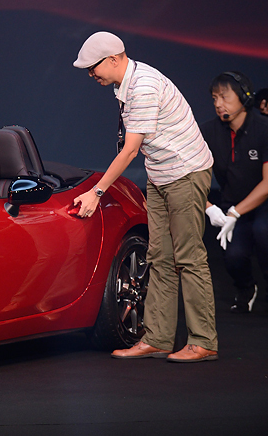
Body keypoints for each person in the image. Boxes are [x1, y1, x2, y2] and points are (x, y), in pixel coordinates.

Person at [72, 31, 218, 362]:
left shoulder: (143, 87)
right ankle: (158, 338)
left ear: (113, 60)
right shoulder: (125, 86)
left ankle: (203, 340)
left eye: (93, 67)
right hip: (161, 175)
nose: (91, 74)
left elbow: (130, 150)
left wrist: (96, 192)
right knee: (159, 256)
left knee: (188, 257)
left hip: (184, 172)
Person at [201, 71, 268, 313]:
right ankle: (246, 289)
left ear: (245, 97)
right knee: (234, 256)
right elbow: (190, 172)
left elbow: (267, 184)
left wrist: (235, 213)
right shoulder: (209, 132)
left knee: (263, 232)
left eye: (225, 97)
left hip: (263, 204)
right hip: (231, 203)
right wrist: (210, 208)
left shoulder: (263, 129)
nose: (219, 104)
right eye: (214, 98)